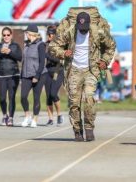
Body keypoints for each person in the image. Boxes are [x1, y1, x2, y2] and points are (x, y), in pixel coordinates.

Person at [49, 10, 116, 142]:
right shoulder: (70, 31)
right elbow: (53, 46)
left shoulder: (98, 32)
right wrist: (63, 53)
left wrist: (105, 60)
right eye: (81, 29)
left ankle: (89, 127)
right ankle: (77, 130)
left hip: (91, 70)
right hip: (74, 70)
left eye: (85, 29)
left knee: (89, 98)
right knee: (74, 103)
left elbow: (111, 46)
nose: (83, 31)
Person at [0, 27, 22, 126]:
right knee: (2, 98)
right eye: (4, 35)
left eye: (8, 35)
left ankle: (11, 118)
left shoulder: (15, 46)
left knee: (12, 97)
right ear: (2, 36)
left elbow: (20, 57)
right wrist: (0, 51)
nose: (6, 37)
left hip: (13, 75)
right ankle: (5, 115)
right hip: (1, 75)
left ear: (11, 35)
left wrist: (10, 52)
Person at [20, 24, 47, 128]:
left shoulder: (40, 45)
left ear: (31, 33)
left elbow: (42, 62)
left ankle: (35, 118)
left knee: (36, 97)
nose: (26, 34)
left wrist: (37, 76)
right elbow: (24, 61)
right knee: (23, 97)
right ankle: (27, 116)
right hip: (26, 75)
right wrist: (21, 75)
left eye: (27, 32)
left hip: (39, 75)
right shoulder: (26, 45)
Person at [44, 25, 64, 126]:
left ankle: (59, 115)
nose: (48, 37)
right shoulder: (46, 45)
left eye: (50, 35)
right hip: (48, 71)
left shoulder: (60, 45)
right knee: (48, 97)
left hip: (58, 71)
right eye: (47, 34)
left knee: (53, 94)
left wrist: (47, 55)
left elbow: (60, 60)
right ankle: (50, 119)